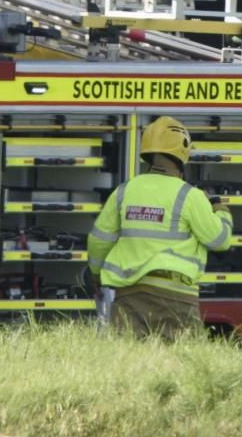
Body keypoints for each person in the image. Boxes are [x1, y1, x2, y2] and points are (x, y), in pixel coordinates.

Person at [86, 116, 233, 339]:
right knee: (181, 366)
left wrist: (96, 276)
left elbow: (98, 241)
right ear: (183, 150)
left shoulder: (125, 191)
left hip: (129, 295)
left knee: (127, 363)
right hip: (176, 299)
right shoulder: (190, 196)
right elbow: (219, 241)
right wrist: (222, 211)